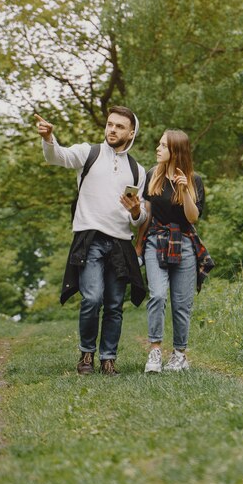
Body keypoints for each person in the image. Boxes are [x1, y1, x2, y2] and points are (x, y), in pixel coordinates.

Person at [35, 106, 147, 376]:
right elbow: (58, 157)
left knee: (113, 305)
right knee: (92, 298)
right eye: (110, 124)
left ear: (131, 132)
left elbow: (140, 218)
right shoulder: (89, 153)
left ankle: (108, 359)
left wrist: (134, 210)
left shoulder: (137, 170)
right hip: (91, 239)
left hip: (121, 243)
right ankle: (87, 355)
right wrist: (49, 138)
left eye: (119, 126)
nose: (112, 129)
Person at [135, 130, 214, 373]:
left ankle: (179, 355)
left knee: (181, 303)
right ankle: (155, 351)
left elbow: (193, 217)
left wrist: (186, 191)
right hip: (155, 240)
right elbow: (146, 215)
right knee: (157, 295)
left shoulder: (194, 180)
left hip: (185, 242)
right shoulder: (152, 175)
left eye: (162, 146)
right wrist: (138, 244)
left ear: (175, 151)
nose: (157, 149)